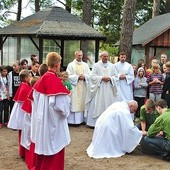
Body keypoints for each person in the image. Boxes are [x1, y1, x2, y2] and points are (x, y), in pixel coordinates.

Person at [29, 52, 71, 170]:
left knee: (42, 149)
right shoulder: (54, 81)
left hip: (41, 124)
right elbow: (62, 108)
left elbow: (33, 101)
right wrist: (67, 100)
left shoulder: (39, 81)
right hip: (53, 125)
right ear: (57, 65)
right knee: (54, 150)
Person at [85, 51, 121, 127]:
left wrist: (111, 79)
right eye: (104, 56)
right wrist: (101, 78)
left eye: (107, 56)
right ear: (101, 57)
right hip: (99, 89)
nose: (106, 58)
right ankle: (94, 123)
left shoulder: (112, 66)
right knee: (97, 103)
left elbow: (116, 76)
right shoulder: (96, 65)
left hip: (109, 89)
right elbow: (92, 76)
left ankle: (109, 122)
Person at [8, 69, 32, 158]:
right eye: (30, 76)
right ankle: (24, 153)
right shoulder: (26, 88)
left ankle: (22, 152)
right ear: (26, 78)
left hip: (22, 113)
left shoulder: (23, 85)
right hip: (24, 114)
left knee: (23, 133)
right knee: (25, 134)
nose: (31, 77)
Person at [66, 50, 91, 125]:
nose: (80, 57)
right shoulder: (71, 65)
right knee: (74, 102)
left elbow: (89, 75)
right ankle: (73, 121)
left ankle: (82, 120)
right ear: (75, 55)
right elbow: (68, 76)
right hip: (75, 87)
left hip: (83, 86)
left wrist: (84, 76)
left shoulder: (85, 65)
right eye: (78, 55)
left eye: (81, 55)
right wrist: (77, 77)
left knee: (83, 102)